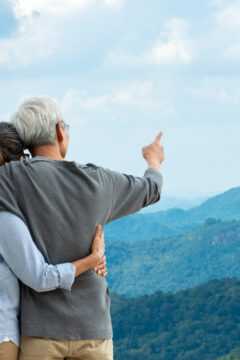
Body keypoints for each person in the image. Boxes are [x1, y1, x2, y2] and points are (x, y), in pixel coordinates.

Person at [0, 96, 164, 359]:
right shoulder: (101, 182)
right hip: (93, 329)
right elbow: (151, 190)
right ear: (59, 131)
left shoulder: (10, 178)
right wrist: (153, 161)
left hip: (39, 332)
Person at [0, 122, 108, 360]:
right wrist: (91, 260)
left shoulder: (17, 210)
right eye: (26, 158)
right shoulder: (5, 216)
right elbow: (41, 277)